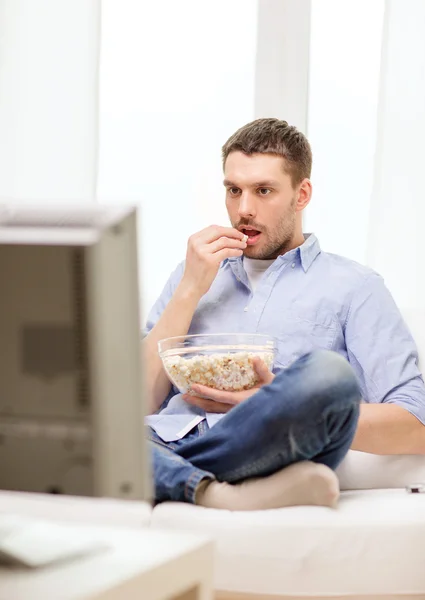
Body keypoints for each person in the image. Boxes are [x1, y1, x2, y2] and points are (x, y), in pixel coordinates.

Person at [143, 118, 425, 511]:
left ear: (301, 194)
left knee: (330, 373)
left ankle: (170, 480)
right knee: (84, 435)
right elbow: (134, 402)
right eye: (233, 190)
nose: (243, 209)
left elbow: (416, 424)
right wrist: (189, 289)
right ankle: (213, 491)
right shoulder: (191, 273)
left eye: (263, 191)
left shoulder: (356, 286)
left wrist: (273, 403)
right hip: (166, 441)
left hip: (270, 443)